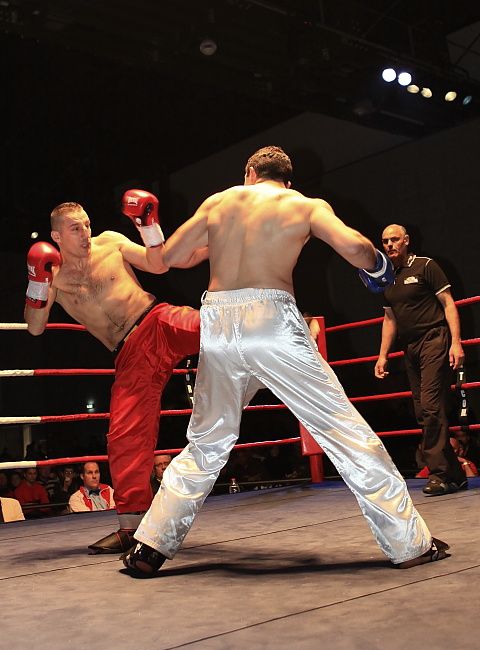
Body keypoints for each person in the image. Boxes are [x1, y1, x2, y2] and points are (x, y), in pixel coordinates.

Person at [122, 145, 447, 577]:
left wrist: (151, 227)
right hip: (271, 322)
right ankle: (409, 543)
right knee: (342, 429)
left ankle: (150, 546)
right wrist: (378, 270)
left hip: (216, 320)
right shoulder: (303, 205)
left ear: (249, 173)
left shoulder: (220, 201)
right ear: (286, 180)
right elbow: (356, 245)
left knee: (207, 441)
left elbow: (166, 261)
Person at [24, 196, 205, 553]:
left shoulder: (110, 242)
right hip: (129, 354)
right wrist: (37, 282)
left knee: (211, 325)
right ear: (56, 236)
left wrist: (147, 224)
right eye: (76, 229)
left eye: (87, 225)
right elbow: (34, 327)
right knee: (123, 437)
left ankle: (282, 327)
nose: (86, 234)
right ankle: (132, 527)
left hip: (157, 320)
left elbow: (158, 265)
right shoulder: (54, 276)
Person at [374, 224, 466, 496]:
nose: (389, 244)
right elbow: (389, 318)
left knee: (430, 406)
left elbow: (448, 303)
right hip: (409, 347)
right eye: (385, 241)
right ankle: (455, 474)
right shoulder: (387, 277)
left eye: (394, 240)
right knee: (422, 411)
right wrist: (382, 355)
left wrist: (456, 343)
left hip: (434, 339)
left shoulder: (426, 266)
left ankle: (438, 473)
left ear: (406, 241)